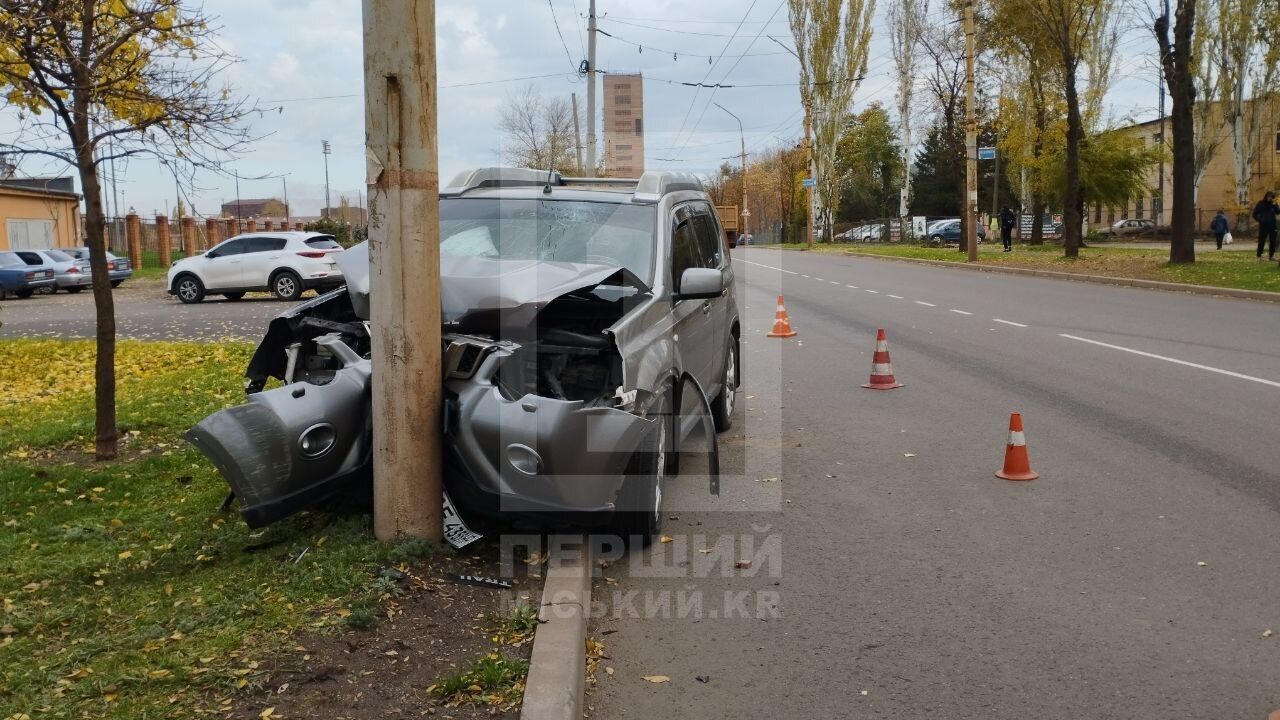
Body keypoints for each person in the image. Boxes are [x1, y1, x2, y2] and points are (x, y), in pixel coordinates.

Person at [1251, 191, 1278, 262]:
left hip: (1272, 225)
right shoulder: (1261, 204)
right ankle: (1259, 256)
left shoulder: (1273, 204)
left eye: (1271, 197)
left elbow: (1278, 212)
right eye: (1269, 197)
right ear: (1266, 196)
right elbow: (1254, 214)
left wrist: (1276, 205)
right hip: (1264, 226)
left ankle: (1271, 256)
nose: (1270, 198)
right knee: (1261, 241)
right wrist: (1260, 220)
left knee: (1273, 241)